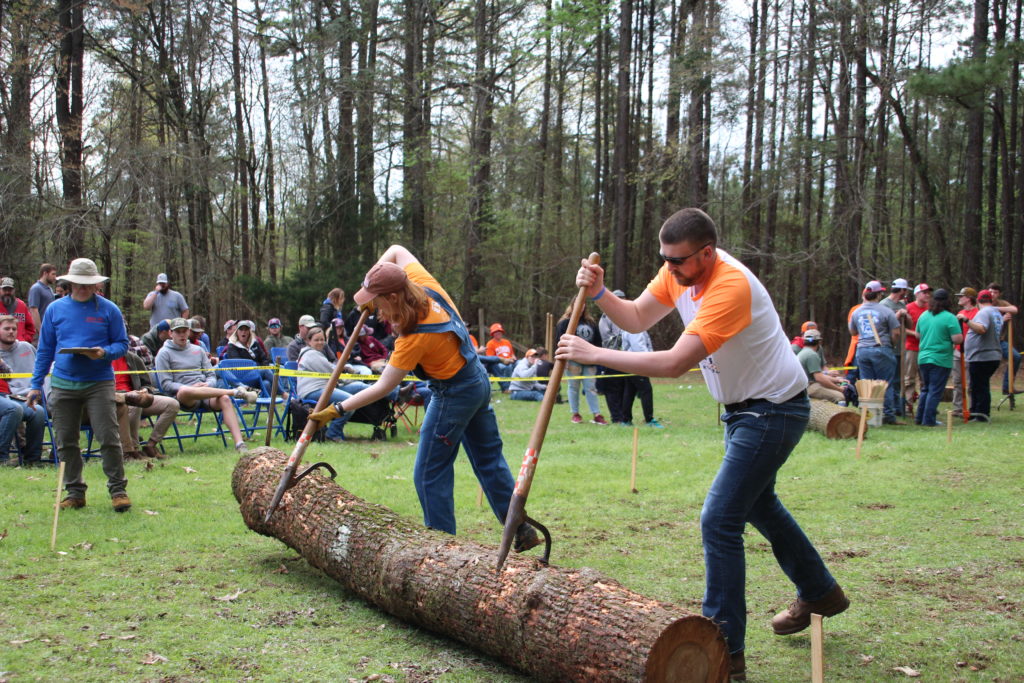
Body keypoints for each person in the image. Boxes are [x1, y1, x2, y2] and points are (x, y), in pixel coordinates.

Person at [556, 208, 846, 679]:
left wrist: (592, 353)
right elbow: (634, 318)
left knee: (721, 517)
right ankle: (820, 591)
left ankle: (725, 651)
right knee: (758, 504)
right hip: (743, 410)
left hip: (774, 409)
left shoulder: (729, 286)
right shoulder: (680, 267)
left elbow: (673, 364)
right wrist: (601, 293)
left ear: (706, 253)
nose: (669, 270)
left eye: (678, 262)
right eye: (664, 260)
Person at [308, 245, 540, 550]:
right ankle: (521, 528)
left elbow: (382, 387)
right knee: (488, 460)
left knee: (429, 473)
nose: (376, 312)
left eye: (377, 303)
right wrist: (372, 281)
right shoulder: (423, 285)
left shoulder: (415, 336)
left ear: (393, 297)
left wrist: (337, 408)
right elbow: (396, 250)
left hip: (454, 394)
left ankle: (443, 550)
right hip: (476, 379)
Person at [26, 258, 132, 511]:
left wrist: (103, 353)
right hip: (63, 383)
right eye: (79, 284)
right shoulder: (54, 309)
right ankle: (74, 492)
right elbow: (45, 350)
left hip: (99, 382)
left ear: (96, 285)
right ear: (70, 283)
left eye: (89, 285)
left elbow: (122, 344)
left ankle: (118, 490)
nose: (83, 289)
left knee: (108, 436)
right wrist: (35, 384)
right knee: (65, 440)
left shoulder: (109, 309)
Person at [154, 318, 256, 452]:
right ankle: (236, 392)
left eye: (184, 331)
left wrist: (207, 384)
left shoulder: (198, 350)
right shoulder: (163, 353)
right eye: (178, 332)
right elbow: (166, 384)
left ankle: (240, 443)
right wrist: (190, 388)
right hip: (184, 397)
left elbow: (211, 374)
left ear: (189, 331)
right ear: (170, 333)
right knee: (185, 391)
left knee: (224, 399)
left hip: (207, 392)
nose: (182, 335)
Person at [296, 325, 369, 442]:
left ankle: (395, 393)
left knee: (360, 387)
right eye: (316, 340)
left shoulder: (316, 353)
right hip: (314, 391)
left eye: (322, 339)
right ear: (308, 341)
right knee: (350, 402)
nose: (320, 342)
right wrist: (349, 375)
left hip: (326, 387)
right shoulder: (311, 354)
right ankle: (333, 433)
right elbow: (333, 372)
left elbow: (332, 371)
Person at [849, 280, 903, 424]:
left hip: (862, 350)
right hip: (882, 349)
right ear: (878, 295)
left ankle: (869, 416)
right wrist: (891, 344)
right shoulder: (886, 311)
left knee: (867, 384)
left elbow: (853, 331)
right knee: (885, 383)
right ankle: (888, 415)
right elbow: (896, 333)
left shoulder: (857, 311)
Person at [111, 347, 179, 459]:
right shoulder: (97, 359)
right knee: (134, 405)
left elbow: (147, 384)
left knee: (172, 404)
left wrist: (145, 390)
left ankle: (151, 446)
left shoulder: (133, 358)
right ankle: (132, 451)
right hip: (114, 400)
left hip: (136, 396)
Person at [0, 316, 45, 466]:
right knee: (14, 409)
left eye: (14, 329)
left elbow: (9, 373)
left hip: (20, 395)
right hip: (6, 397)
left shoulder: (26, 347)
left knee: (37, 411)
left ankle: (32, 460)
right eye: (7, 329)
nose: (11, 332)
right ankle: (2, 457)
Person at [914, 289, 963, 427]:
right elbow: (957, 339)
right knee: (935, 390)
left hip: (923, 358)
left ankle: (919, 418)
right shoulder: (949, 317)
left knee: (925, 389)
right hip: (940, 359)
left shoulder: (924, 315)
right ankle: (929, 420)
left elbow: (917, 335)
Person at [555, 301, 607, 424]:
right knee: (573, 387)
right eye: (579, 303)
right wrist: (564, 359)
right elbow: (560, 341)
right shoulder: (565, 323)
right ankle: (575, 413)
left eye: (583, 303)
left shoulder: (590, 323)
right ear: (573, 305)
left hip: (589, 361)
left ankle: (596, 414)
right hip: (572, 360)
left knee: (591, 388)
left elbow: (598, 342)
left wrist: (597, 358)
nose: (581, 306)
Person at [961, 289, 1003, 422]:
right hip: (990, 355)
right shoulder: (996, 312)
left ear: (978, 300)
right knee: (980, 385)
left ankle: (981, 415)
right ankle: (976, 412)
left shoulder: (984, 312)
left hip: (982, 356)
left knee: (980, 386)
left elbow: (981, 329)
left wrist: (967, 320)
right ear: (991, 300)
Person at [620, 328, 663, 427]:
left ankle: (626, 420)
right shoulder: (635, 330)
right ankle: (649, 420)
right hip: (637, 364)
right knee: (646, 390)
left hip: (628, 363)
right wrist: (650, 361)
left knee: (629, 391)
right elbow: (639, 348)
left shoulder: (630, 327)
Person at [597, 291, 628, 424]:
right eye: (618, 299)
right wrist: (623, 340)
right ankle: (616, 417)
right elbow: (607, 339)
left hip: (627, 358)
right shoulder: (605, 317)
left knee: (624, 388)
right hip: (611, 357)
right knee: (612, 389)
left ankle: (623, 416)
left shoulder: (629, 316)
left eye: (622, 299)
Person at [986, 283, 1020, 395]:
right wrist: (1001, 318)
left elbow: (1014, 309)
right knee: (987, 366)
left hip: (999, 341)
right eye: (991, 291)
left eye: (995, 292)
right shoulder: (982, 303)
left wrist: (996, 308)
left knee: (1015, 357)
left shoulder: (1001, 303)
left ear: (999, 294)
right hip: (986, 342)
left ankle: (1007, 386)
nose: (992, 294)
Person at [902, 283, 932, 409]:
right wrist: (915, 334)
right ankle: (908, 404)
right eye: (924, 292)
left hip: (927, 348)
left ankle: (925, 405)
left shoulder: (930, 308)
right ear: (916, 294)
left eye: (928, 293)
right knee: (909, 377)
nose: (927, 295)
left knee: (925, 379)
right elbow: (901, 328)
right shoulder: (908, 308)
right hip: (912, 347)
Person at [797, 329, 847, 404]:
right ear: (819, 342)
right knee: (840, 396)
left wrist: (837, 380)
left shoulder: (804, 352)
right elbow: (820, 378)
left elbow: (820, 376)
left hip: (805, 386)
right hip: (809, 387)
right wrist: (840, 389)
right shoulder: (812, 355)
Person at [951, 287, 978, 417]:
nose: (959, 298)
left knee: (971, 382)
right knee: (957, 381)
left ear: (968, 298)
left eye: (961, 296)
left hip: (971, 351)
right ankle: (958, 407)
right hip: (958, 351)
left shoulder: (977, 313)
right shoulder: (960, 312)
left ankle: (972, 407)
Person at [28, 264, 57, 342]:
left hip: (49, 328)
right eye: (53, 274)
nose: (55, 277)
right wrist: (41, 331)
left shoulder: (49, 289)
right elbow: (33, 310)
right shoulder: (36, 288)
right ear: (45, 273)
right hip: (39, 332)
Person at [1, 277, 36, 343]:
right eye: (4, 289)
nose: (7, 292)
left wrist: (24, 340)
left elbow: (30, 327)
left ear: (14, 290)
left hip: (19, 347)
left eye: (10, 290)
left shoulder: (21, 305)